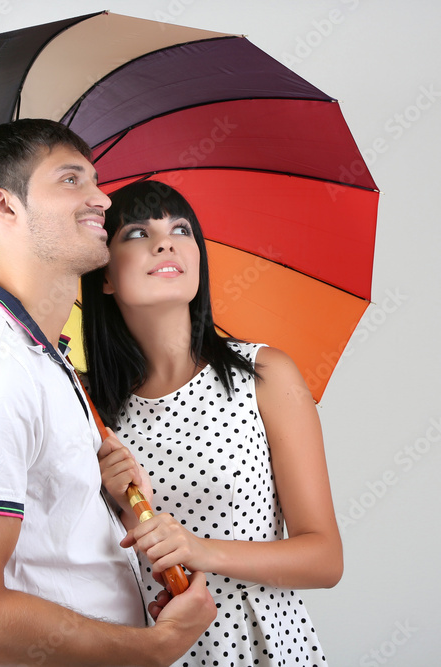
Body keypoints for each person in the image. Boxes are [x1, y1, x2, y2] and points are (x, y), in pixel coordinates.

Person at [0, 120, 216, 667]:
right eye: (71, 181)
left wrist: (118, 508)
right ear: (5, 206)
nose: (102, 198)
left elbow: (54, 554)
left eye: (95, 179)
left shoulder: (44, 358)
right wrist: (152, 648)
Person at [81, 180, 343, 666]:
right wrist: (119, 506)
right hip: (148, 648)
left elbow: (325, 559)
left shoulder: (264, 375)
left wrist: (198, 549)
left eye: (181, 228)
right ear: (105, 275)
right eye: (137, 233)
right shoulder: (85, 407)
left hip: (259, 645)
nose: (166, 241)